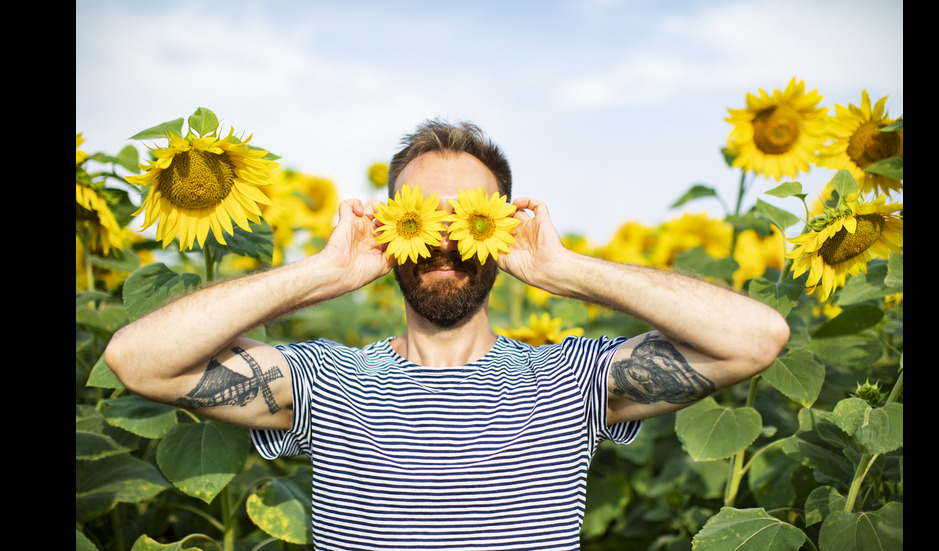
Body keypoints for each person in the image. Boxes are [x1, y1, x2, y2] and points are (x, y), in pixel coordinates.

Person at [105, 119, 790, 550]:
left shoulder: (572, 381)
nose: (442, 240)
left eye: (468, 218)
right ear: (389, 228)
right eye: (420, 218)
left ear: (502, 229)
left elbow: (756, 337)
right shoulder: (326, 381)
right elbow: (137, 360)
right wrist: (321, 272)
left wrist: (567, 269)